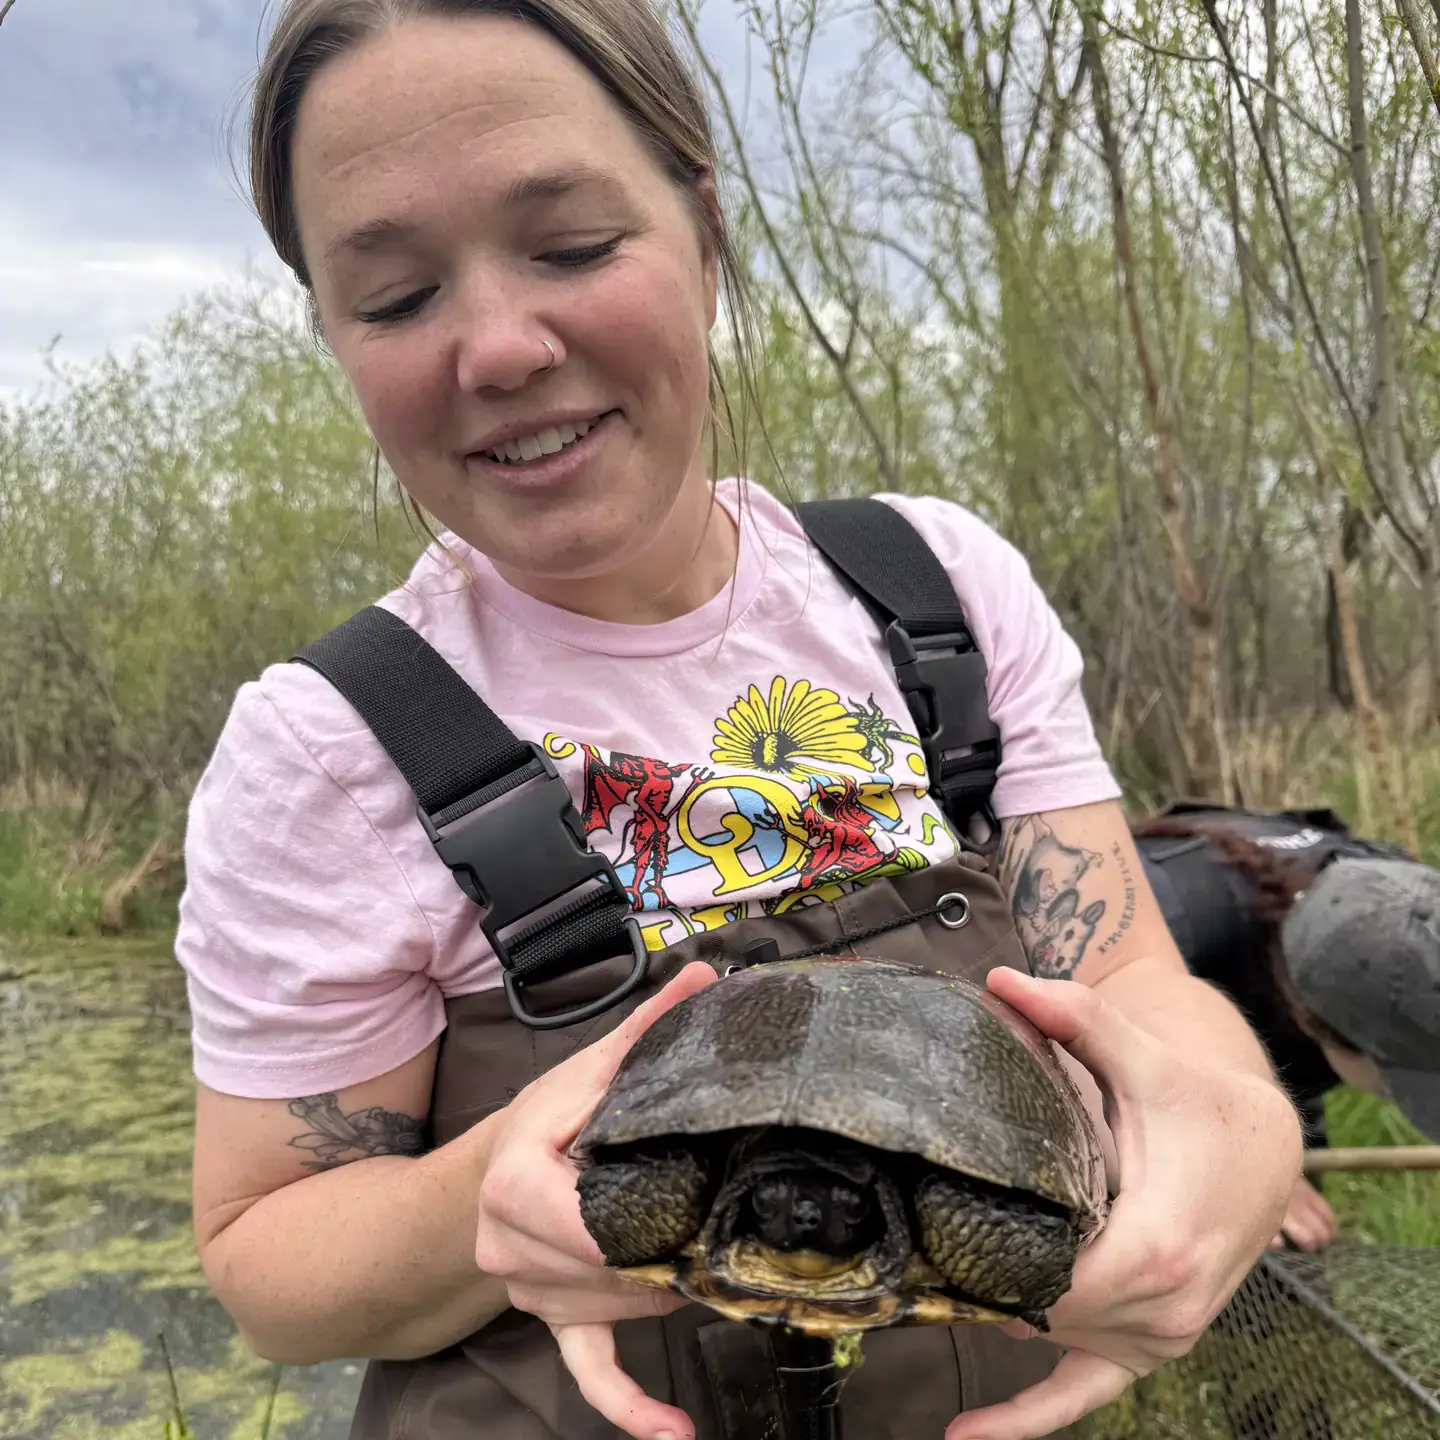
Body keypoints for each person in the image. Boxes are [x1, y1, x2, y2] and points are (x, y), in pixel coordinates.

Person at [172, 3, 1303, 1438]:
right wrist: (493, 1190)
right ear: (332, 334)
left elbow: (1134, 985)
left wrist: (1244, 1141)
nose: (503, 346)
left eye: (573, 245)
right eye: (394, 297)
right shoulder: (322, 754)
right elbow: (270, 1266)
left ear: (704, 231)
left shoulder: (935, 597)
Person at [1132, 803, 1440, 1253]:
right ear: (1315, 1023)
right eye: (1400, 1079)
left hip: (1278, 1009)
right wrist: (1238, 1157)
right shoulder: (1169, 927)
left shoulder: (1416, 914)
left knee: (1290, 1220)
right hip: (1124, 1035)